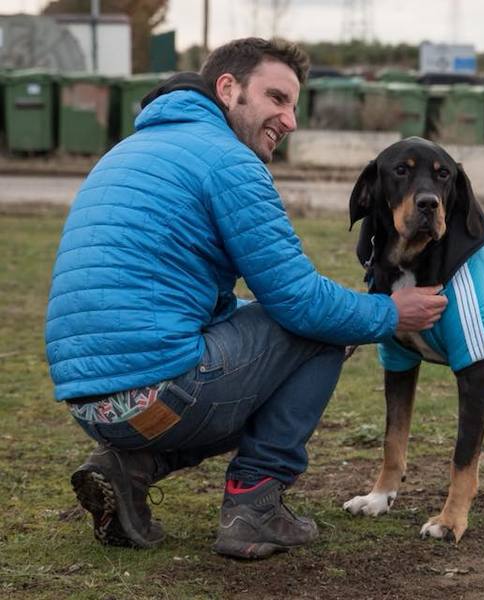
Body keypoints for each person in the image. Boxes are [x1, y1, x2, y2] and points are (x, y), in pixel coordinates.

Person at [44, 37, 447, 560]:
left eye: (294, 105)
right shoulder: (229, 162)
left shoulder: (129, 150)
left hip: (88, 403)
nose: (290, 119)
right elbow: (300, 302)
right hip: (157, 397)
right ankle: (254, 506)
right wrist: (388, 313)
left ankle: (129, 467)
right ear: (228, 89)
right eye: (277, 98)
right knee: (322, 333)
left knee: (269, 331)